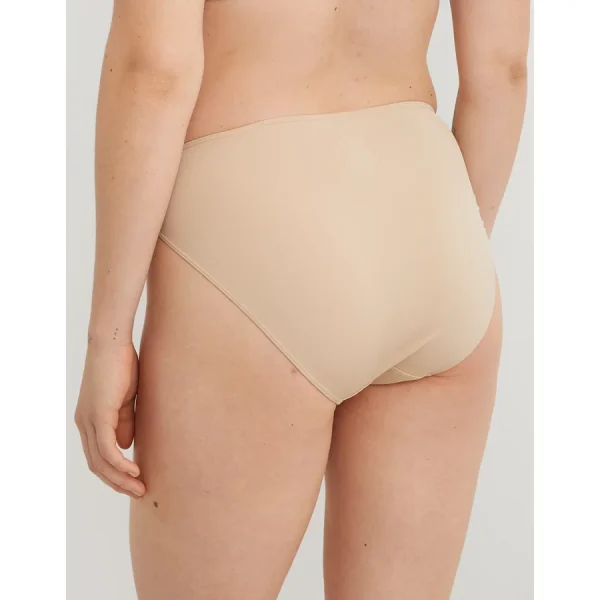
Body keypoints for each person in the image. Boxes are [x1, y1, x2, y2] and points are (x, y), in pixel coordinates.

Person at [75, 0, 529, 598]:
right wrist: (451, 255)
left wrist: (108, 334)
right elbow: (502, 68)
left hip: (256, 222)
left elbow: (155, 69)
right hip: (432, 216)